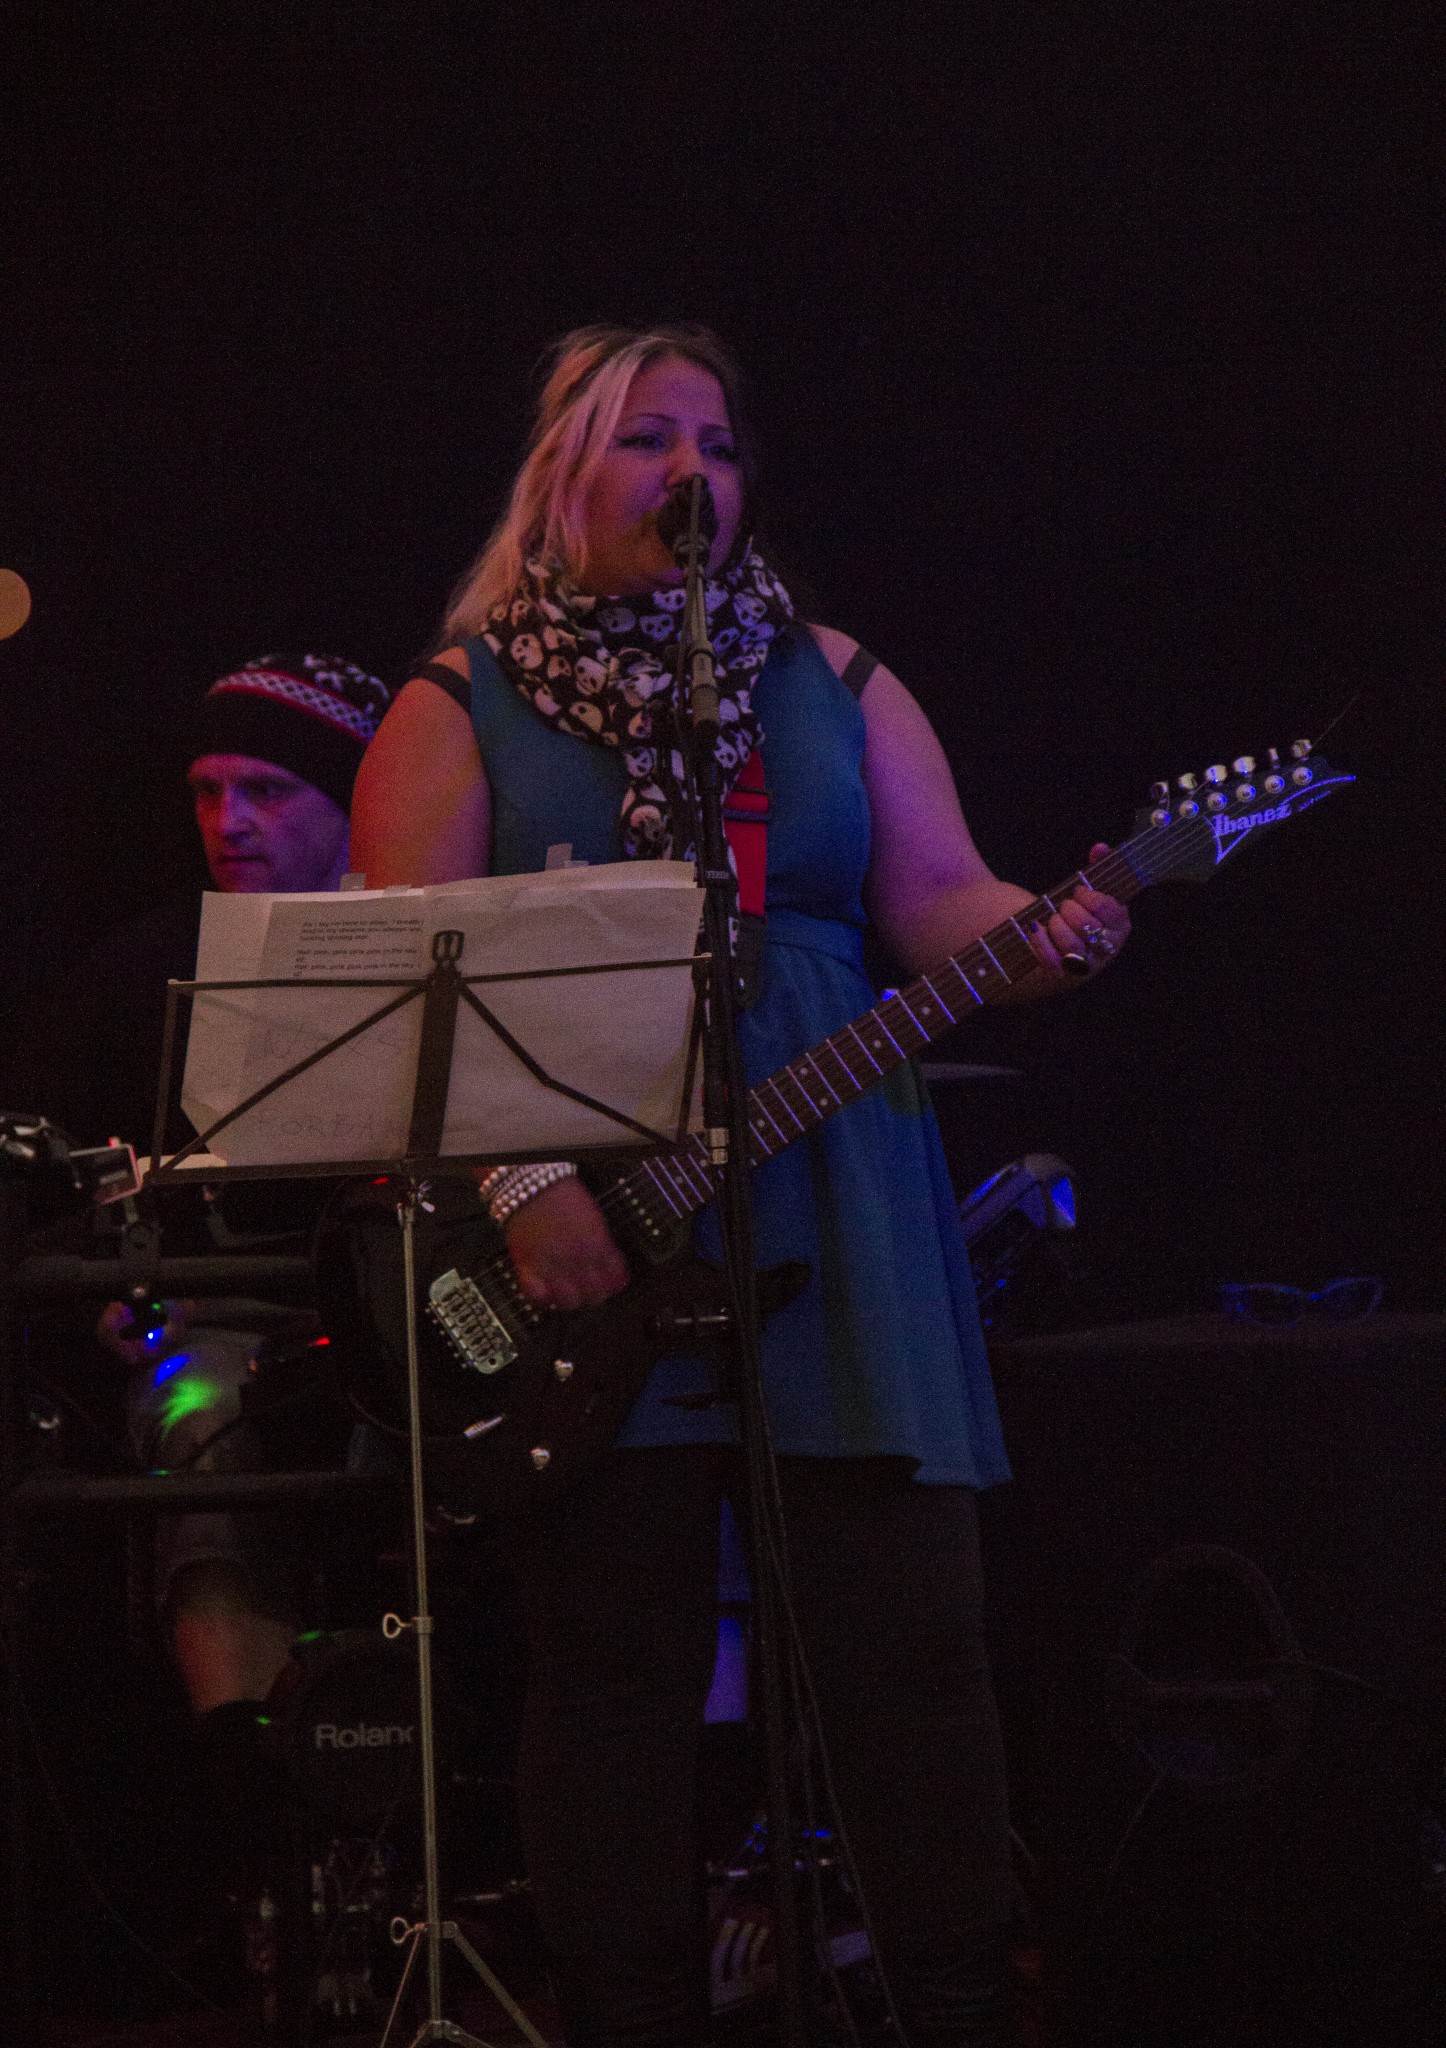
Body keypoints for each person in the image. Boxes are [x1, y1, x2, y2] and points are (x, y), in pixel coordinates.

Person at [350, 325, 1131, 2048]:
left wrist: (1051, 932)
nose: (689, 470)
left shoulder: (834, 677)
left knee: (911, 1649)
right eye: (645, 438)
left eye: (712, 440)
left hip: (834, 1193)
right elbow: (402, 989)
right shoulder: (455, 703)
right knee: (615, 1665)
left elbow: (939, 900)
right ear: (563, 476)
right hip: (579, 1222)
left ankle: (950, 2006)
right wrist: (524, 1185)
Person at [15, 653, 391, 1722]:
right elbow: (42, 1171)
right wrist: (99, 1293)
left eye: (268, 789)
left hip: (415, 1317)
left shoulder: (440, 948)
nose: (229, 821)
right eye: (208, 790)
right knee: (199, 1418)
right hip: (225, 1328)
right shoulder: (139, 971)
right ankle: (250, 1767)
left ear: (353, 800)